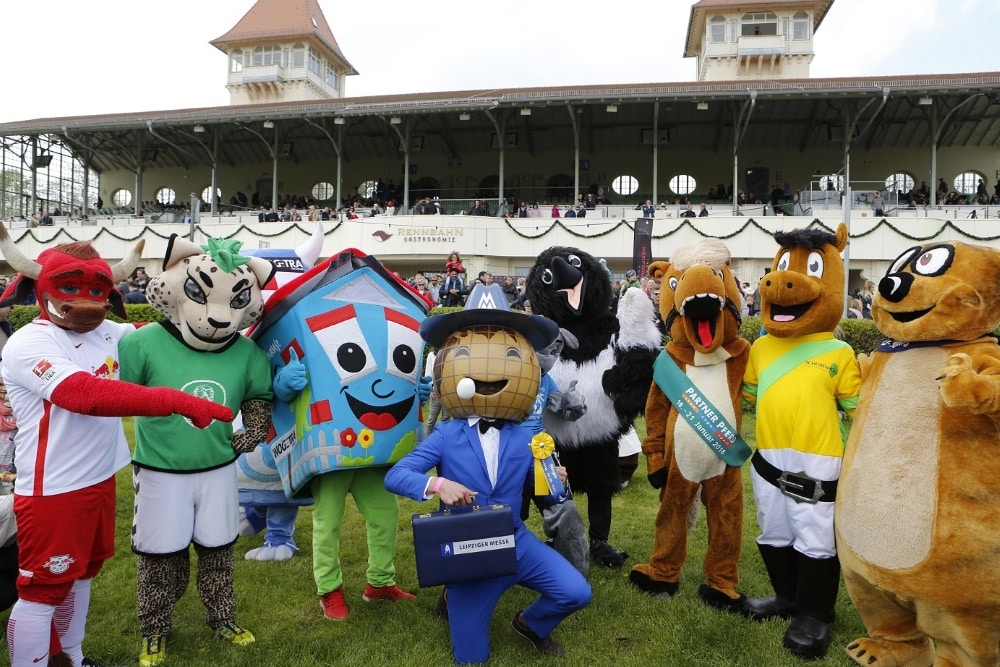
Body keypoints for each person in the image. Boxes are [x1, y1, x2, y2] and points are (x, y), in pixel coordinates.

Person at [0, 236, 231, 667]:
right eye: (70, 288)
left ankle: (71, 656)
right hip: (53, 488)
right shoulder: (29, 343)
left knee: (82, 575)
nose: (86, 302)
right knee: (43, 589)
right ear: (40, 287)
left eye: (96, 291)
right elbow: (83, 395)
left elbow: (177, 338)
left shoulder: (111, 331)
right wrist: (176, 401)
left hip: (100, 477)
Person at [385, 284, 591, 664]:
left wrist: (555, 482)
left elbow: (540, 493)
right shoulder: (447, 434)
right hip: (469, 550)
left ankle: (530, 624)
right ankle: (454, 596)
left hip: (515, 541)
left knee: (576, 592)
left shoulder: (526, 436)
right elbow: (396, 475)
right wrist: (438, 484)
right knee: (472, 659)